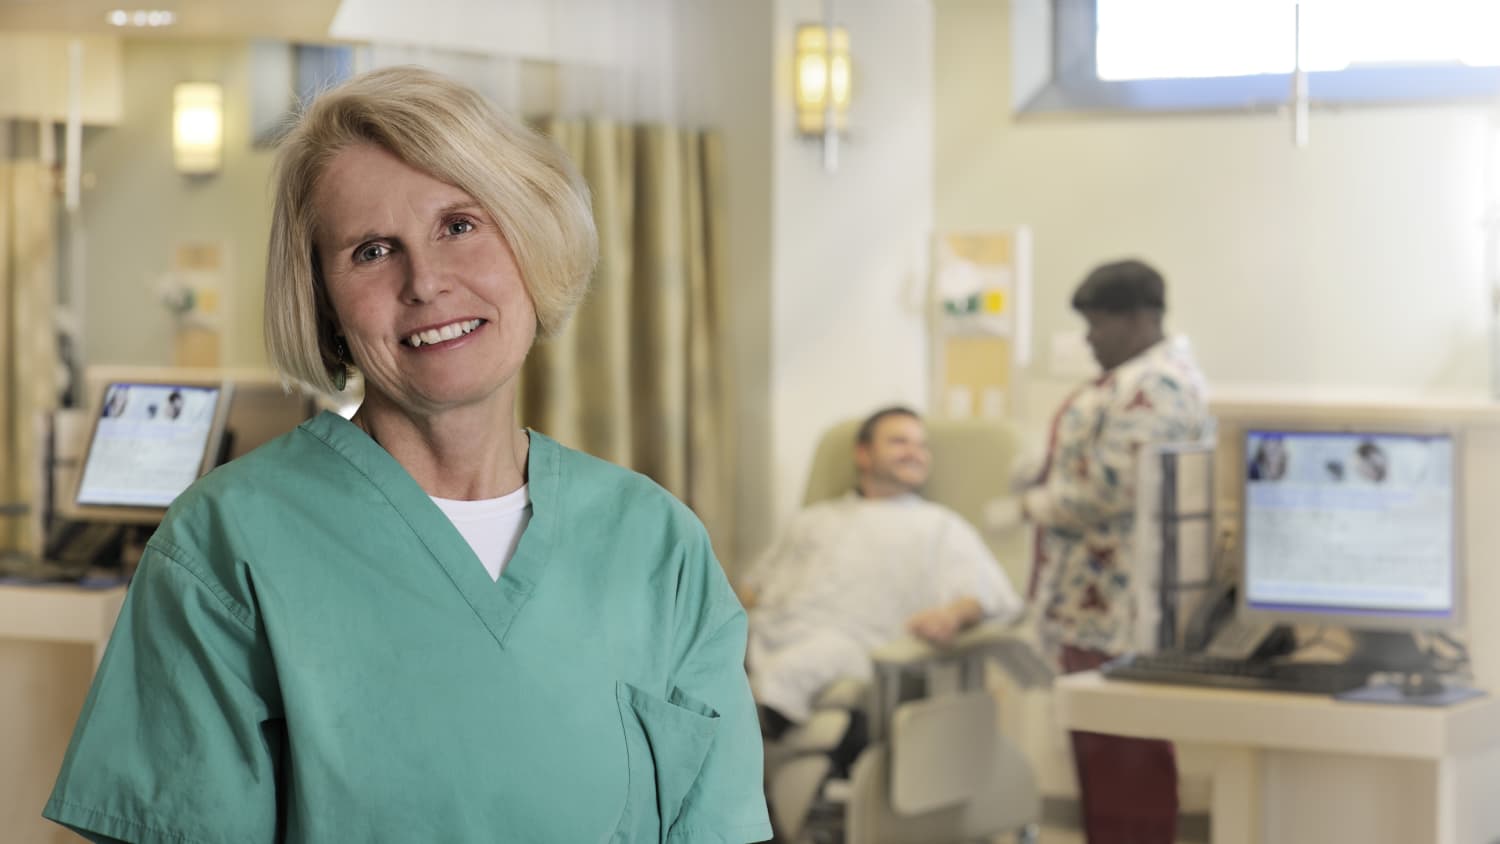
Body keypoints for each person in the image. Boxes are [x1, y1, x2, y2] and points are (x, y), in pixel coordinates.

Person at [44, 66, 771, 844]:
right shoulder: (227, 548)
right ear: (323, 301)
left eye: (460, 225)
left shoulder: (659, 548)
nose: (425, 281)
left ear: (530, 238)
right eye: (371, 251)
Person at [1019, 258, 1210, 844]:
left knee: (1127, 767)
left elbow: (1114, 487)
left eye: (1099, 324)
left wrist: (1037, 502)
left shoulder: (1157, 384)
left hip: (1119, 617)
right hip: (1095, 606)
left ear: (1140, 318)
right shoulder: (1133, 380)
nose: (1090, 339)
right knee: (1103, 765)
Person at [740, 406, 1022, 739]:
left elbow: (988, 594)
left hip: (850, 645)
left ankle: (745, 747)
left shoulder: (940, 526)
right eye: (899, 442)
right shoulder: (813, 519)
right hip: (762, 635)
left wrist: (952, 616)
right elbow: (753, 587)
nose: (914, 453)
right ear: (863, 454)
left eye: (921, 445)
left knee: (786, 675)